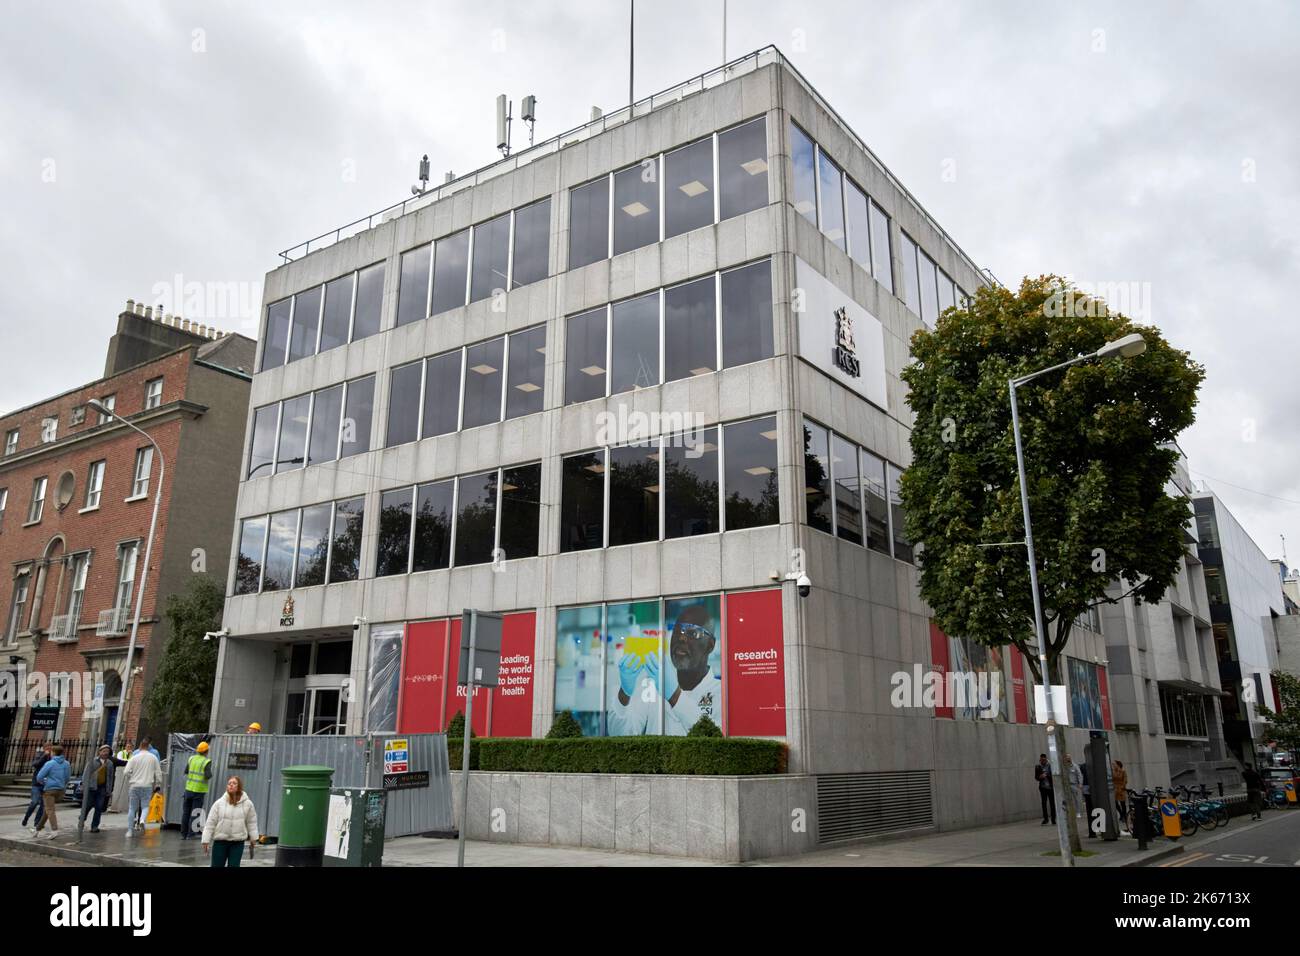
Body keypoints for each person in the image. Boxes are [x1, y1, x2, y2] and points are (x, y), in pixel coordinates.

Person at [202, 776, 259, 868]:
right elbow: (210, 823)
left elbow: (252, 822)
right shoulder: (219, 803)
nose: (231, 785)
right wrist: (205, 840)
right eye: (229, 783)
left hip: (237, 843)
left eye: (234, 783)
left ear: (239, 786)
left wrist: (253, 838)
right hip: (220, 842)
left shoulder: (248, 804)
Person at [79, 745, 126, 833]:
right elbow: (86, 775)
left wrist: (109, 789)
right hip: (92, 787)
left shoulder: (110, 763)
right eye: (103, 751)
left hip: (102, 788)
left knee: (99, 807)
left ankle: (95, 826)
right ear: (99, 752)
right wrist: (84, 786)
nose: (105, 753)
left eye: (107, 751)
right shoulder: (93, 762)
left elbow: (110, 777)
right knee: (87, 805)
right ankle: (82, 819)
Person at [122, 738, 163, 837]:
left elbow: (126, 772)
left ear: (140, 746)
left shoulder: (134, 757)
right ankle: (142, 820)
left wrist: (131, 777)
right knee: (145, 806)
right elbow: (158, 773)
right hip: (147, 785)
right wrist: (158, 784)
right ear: (149, 746)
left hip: (134, 785)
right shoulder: (153, 758)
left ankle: (130, 831)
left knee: (132, 808)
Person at [32, 744, 71, 839]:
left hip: (50, 790)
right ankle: (37, 829)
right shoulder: (66, 763)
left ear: (53, 752)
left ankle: (54, 830)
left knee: (50, 810)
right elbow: (67, 778)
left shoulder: (50, 763)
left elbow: (39, 777)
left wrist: (44, 782)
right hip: (61, 790)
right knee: (47, 810)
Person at [180, 742, 213, 840]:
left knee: (186, 812)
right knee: (195, 812)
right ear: (206, 751)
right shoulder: (206, 761)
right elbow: (208, 775)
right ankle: (191, 834)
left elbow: (186, 771)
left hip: (188, 789)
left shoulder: (191, 759)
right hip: (199, 790)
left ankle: (183, 834)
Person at [21, 743, 53, 829]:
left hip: (46, 785)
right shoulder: (39, 755)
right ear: (44, 748)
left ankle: (37, 822)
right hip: (36, 784)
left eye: (51, 748)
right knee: (34, 802)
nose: (49, 750)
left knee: (43, 805)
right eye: (48, 748)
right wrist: (44, 756)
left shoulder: (52, 759)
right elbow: (35, 764)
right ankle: (26, 818)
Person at [1034, 754, 1056, 825]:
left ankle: (1053, 819)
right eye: (1041, 760)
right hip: (1043, 788)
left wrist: (1047, 775)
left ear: (1046, 759)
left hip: (1050, 787)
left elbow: (1055, 775)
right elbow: (1036, 777)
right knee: (1044, 803)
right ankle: (1046, 819)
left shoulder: (1050, 765)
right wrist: (1040, 777)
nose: (1042, 761)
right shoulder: (1038, 767)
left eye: (1043, 760)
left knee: (1052, 803)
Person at [1065, 754, 1083, 820]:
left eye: (1069, 757)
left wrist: (1080, 783)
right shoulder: (1064, 766)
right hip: (1066, 785)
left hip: (1074, 785)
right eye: (1067, 757)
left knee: (1076, 799)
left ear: (1070, 758)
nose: (1068, 758)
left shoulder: (1075, 766)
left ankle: (1078, 812)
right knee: (1068, 800)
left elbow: (1079, 775)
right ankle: (1069, 813)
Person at [1113, 760, 1129, 828]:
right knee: (1115, 803)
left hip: (1121, 789)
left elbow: (1125, 780)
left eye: (1114, 764)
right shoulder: (1113, 771)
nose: (1113, 765)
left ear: (1118, 765)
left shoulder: (1123, 771)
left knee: (1123, 803)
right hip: (1115, 789)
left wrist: (1123, 787)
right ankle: (1121, 814)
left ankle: (1124, 816)